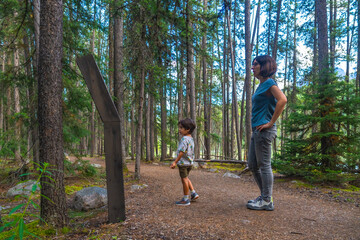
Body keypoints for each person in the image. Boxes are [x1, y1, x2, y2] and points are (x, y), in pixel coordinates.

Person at [246, 55, 287, 211]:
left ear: (264, 66)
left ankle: (266, 200)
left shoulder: (270, 83)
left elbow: (282, 99)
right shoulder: (261, 85)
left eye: (255, 64)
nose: (252, 67)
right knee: (252, 165)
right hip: (257, 130)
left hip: (265, 130)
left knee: (264, 165)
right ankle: (265, 196)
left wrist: (270, 122)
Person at [170, 118, 199, 206]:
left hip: (183, 163)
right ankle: (193, 193)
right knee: (186, 178)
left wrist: (175, 162)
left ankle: (185, 199)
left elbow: (181, 152)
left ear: (187, 129)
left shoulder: (184, 139)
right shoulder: (191, 139)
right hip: (189, 163)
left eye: (181, 128)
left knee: (184, 180)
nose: (179, 129)